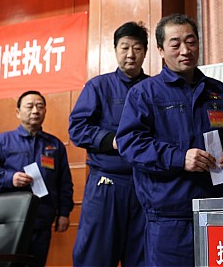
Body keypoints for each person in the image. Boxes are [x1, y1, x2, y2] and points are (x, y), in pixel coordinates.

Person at [116, 13, 223, 266]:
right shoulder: (144, 93)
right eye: (175, 44)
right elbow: (130, 144)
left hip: (218, 208)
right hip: (170, 216)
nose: (185, 50)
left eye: (191, 42)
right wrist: (180, 158)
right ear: (160, 50)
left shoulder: (219, 91)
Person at [69, 22, 148, 267]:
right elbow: (77, 129)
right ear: (115, 50)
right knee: (95, 257)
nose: (130, 54)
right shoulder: (98, 86)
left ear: (146, 52)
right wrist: (111, 140)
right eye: (124, 47)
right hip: (107, 183)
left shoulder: (154, 88)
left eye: (137, 48)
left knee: (143, 257)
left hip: (146, 184)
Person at [0, 90, 74, 267]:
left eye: (40, 106)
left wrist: (64, 213)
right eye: (29, 106)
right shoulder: (2, 141)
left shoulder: (55, 145)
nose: (35, 111)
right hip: (7, 220)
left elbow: (64, 182)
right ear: (18, 112)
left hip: (41, 219)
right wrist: (10, 178)